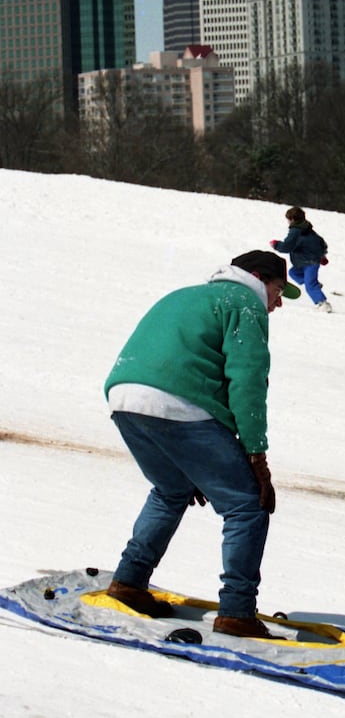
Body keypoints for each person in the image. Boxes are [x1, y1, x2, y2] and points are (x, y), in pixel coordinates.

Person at [103, 250, 300, 639]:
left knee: (171, 490)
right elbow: (247, 379)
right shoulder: (244, 302)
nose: (278, 303)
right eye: (278, 291)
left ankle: (128, 581)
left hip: (124, 398)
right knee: (247, 505)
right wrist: (257, 457)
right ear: (259, 278)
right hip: (178, 402)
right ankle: (237, 612)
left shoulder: (185, 294)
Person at [270, 206, 332, 312]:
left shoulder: (295, 231)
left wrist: (276, 245)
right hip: (305, 263)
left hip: (309, 263)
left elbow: (287, 246)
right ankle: (313, 284)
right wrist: (322, 256)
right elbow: (320, 243)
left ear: (292, 219)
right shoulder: (308, 229)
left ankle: (322, 303)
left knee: (310, 285)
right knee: (293, 272)